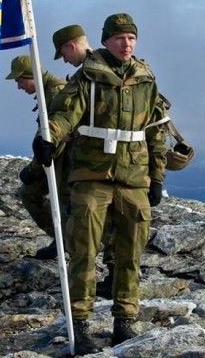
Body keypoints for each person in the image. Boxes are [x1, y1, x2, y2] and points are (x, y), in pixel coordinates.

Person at [33, 13, 168, 353]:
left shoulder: (145, 78)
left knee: (130, 253)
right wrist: (48, 137)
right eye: (120, 38)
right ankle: (80, 324)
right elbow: (66, 114)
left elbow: (157, 129)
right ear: (106, 40)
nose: (127, 44)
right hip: (92, 176)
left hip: (134, 178)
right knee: (84, 251)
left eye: (131, 38)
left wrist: (157, 176)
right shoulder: (88, 76)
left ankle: (125, 319)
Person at [52, 24, 116, 299]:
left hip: (100, 162)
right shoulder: (106, 66)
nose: (65, 60)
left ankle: (109, 281)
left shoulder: (90, 73)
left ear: (71, 46)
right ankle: (114, 277)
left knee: (104, 224)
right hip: (117, 161)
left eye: (64, 54)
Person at [6, 54, 68, 259]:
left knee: (44, 196)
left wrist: (34, 168)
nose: (19, 86)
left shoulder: (56, 92)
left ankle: (66, 241)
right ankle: (61, 239)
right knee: (30, 193)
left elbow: (56, 136)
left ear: (31, 75)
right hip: (54, 158)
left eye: (20, 80)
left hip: (64, 159)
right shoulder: (48, 91)